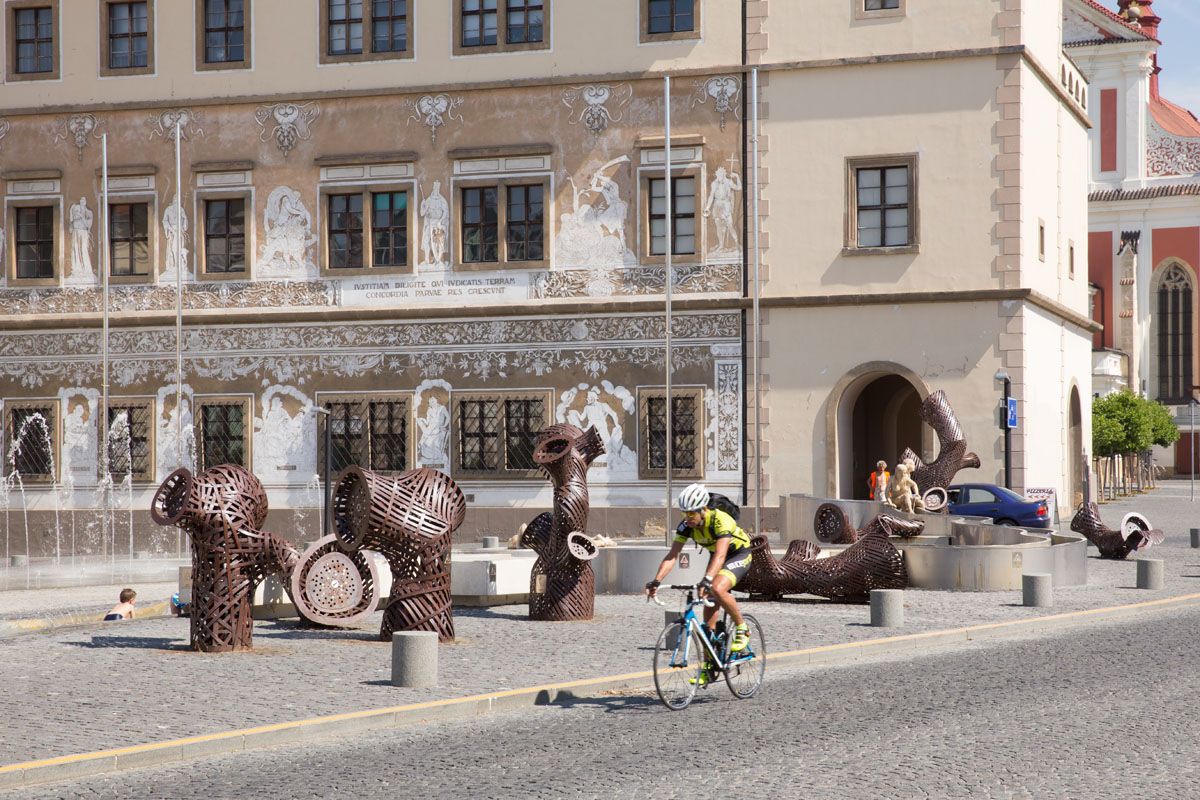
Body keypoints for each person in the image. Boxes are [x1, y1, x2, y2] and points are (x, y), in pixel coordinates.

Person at [645, 483, 753, 686]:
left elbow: (721, 555)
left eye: (691, 513)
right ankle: (708, 667)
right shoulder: (686, 526)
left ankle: (742, 628)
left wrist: (708, 579)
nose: (687, 517)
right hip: (717, 557)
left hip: (738, 554)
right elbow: (673, 555)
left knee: (717, 588)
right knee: (706, 626)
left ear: (703, 509)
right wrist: (656, 580)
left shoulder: (720, 520)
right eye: (684, 513)